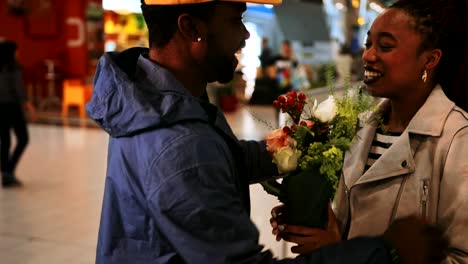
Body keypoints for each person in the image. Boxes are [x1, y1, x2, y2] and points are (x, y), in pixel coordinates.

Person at [87, 0, 448, 263]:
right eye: (235, 19)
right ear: (191, 28)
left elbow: (226, 159)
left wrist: (301, 142)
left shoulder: (161, 101)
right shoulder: (180, 145)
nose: (245, 35)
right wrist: (383, 251)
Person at [271, 0, 468, 262]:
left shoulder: (457, 139)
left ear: (429, 59)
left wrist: (339, 252)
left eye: (385, 46)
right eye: (368, 44)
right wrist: (309, 215)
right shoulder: (362, 126)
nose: (368, 55)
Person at [0, 40, 36, 187]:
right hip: (12, 108)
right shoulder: (13, 68)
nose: (18, 53)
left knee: (5, 142)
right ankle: (8, 170)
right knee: (23, 138)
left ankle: (6, 174)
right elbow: (18, 89)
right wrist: (28, 105)